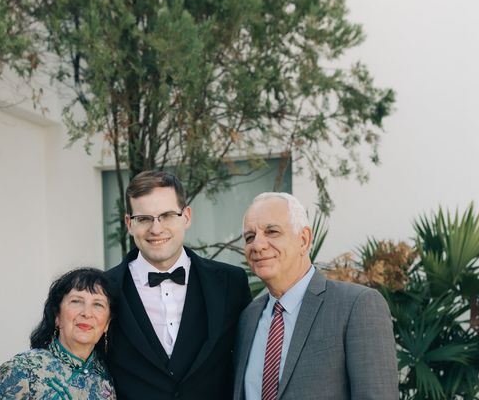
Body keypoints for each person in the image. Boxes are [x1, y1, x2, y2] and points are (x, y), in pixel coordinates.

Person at [233, 192, 398, 400]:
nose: (257, 245)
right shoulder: (247, 318)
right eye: (250, 237)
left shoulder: (357, 306)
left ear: (304, 240)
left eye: (272, 231)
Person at [106, 170, 252, 400]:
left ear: (186, 216)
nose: (156, 229)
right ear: (129, 224)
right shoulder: (105, 289)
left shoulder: (231, 283)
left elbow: (248, 362)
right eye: (144, 219)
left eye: (166, 215)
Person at [0, 268, 116, 399]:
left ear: (107, 323)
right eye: (76, 301)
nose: (87, 313)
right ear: (57, 315)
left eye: (98, 304)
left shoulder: (109, 377)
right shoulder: (23, 369)